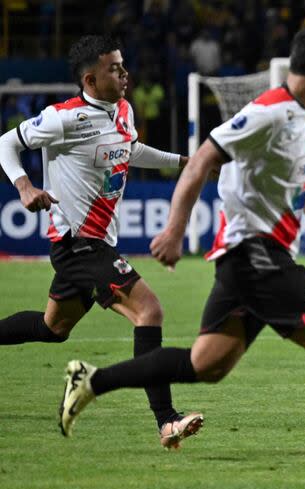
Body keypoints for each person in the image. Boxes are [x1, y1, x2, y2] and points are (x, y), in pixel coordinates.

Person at [58, 25, 305, 489]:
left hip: (257, 258)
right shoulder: (267, 112)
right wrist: (175, 230)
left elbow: (304, 186)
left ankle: (92, 381)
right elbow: (201, 161)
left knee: (207, 365)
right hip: (254, 251)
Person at [0, 35, 202, 450]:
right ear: (90, 79)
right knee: (150, 311)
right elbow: (5, 143)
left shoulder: (123, 110)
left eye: (124, 65)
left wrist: (185, 163)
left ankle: (89, 384)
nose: (125, 74)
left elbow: (131, 149)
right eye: (115, 68)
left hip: (97, 244)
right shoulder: (63, 119)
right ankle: (167, 421)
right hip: (78, 245)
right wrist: (23, 186)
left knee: (52, 328)